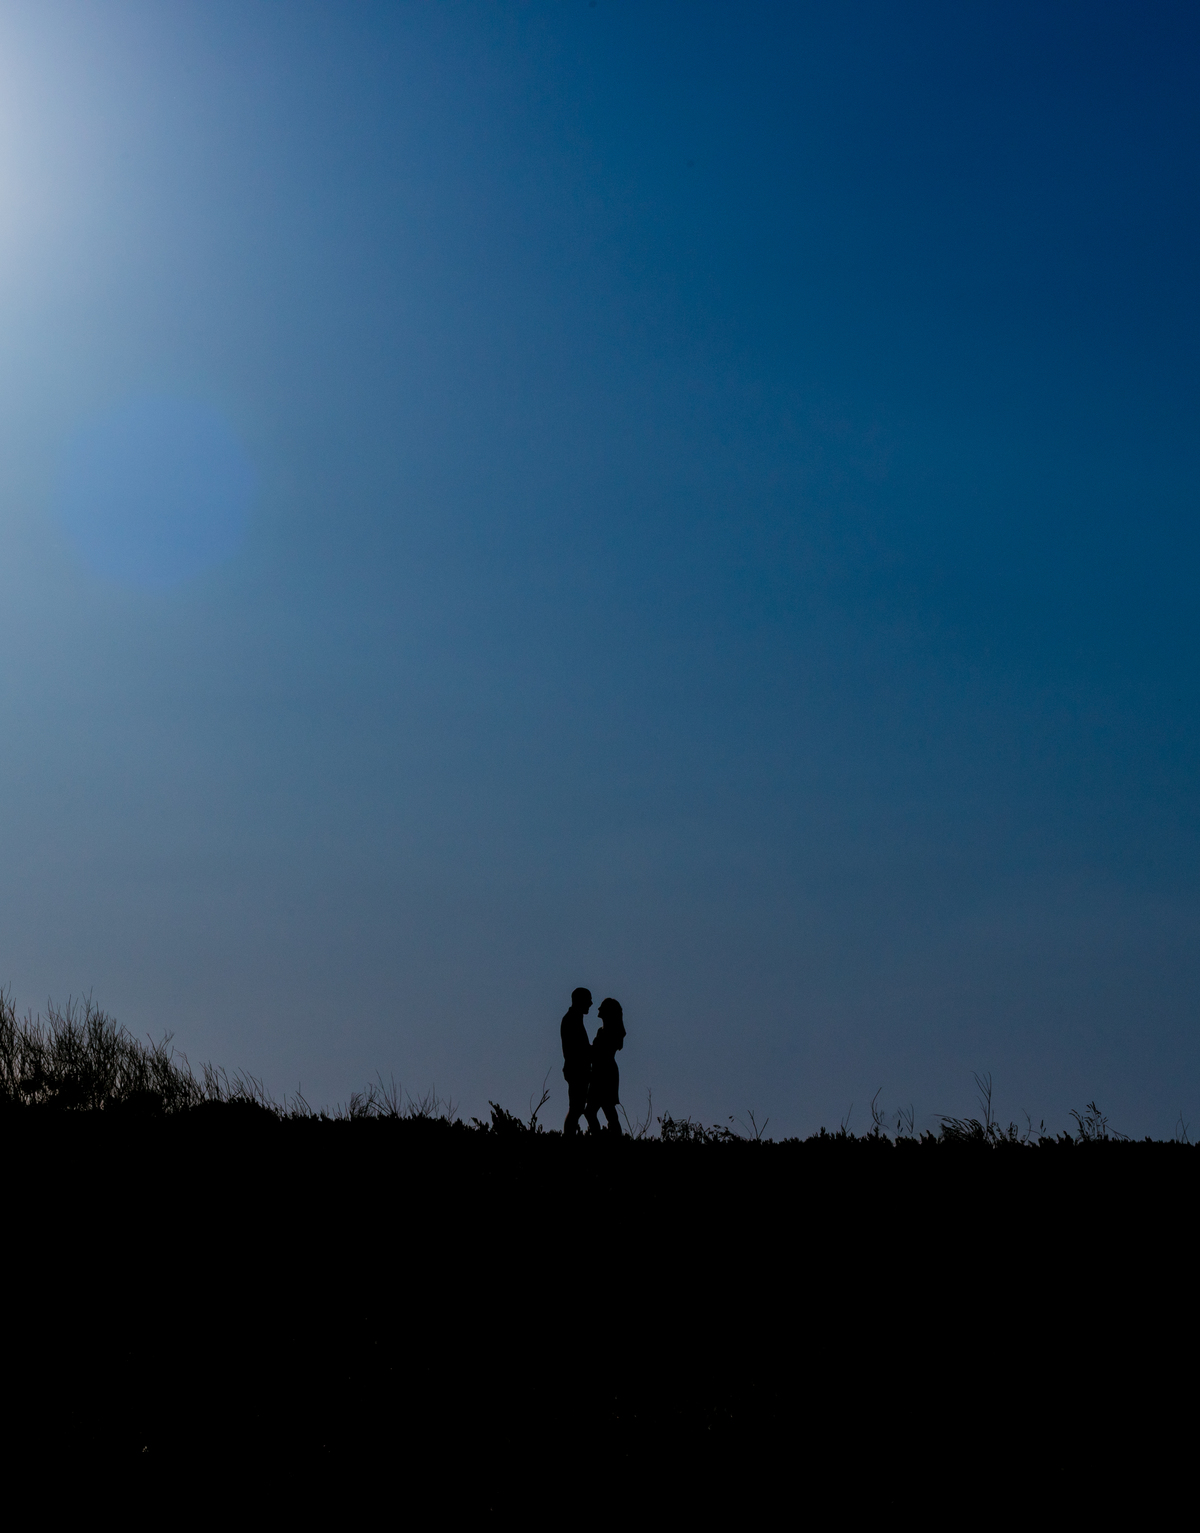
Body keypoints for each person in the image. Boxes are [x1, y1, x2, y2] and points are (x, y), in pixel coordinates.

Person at [560, 987, 598, 1136]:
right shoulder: (572, 1020)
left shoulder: (574, 1018)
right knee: (576, 1109)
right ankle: (569, 1138)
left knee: (577, 1108)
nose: (591, 1003)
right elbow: (577, 1049)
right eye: (588, 1000)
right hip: (577, 1070)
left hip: (577, 1070)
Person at [586, 997, 626, 1136]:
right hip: (600, 1071)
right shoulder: (602, 1031)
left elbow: (601, 1052)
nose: (598, 1009)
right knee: (597, 1111)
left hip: (605, 1072)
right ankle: (608, 1137)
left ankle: (610, 1138)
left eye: (602, 1007)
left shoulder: (611, 1033)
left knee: (605, 1110)